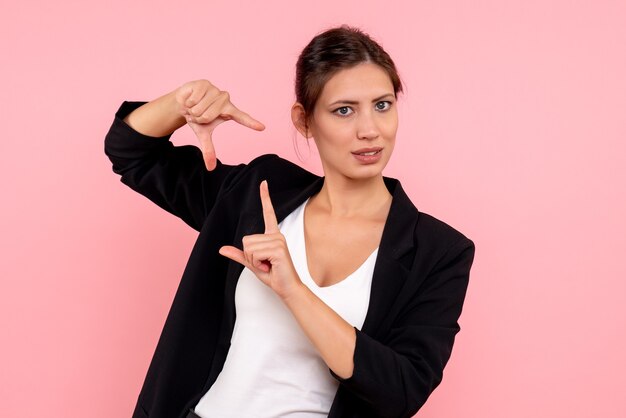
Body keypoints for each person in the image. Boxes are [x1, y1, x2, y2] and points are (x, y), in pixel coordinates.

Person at [104, 25, 475, 418]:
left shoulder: (438, 251)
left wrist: (294, 291)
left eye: (382, 105)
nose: (370, 130)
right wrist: (182, 103)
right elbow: (131, 153)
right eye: (344, 110)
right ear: (304, 121)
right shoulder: (258, 192)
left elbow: (402, 391)